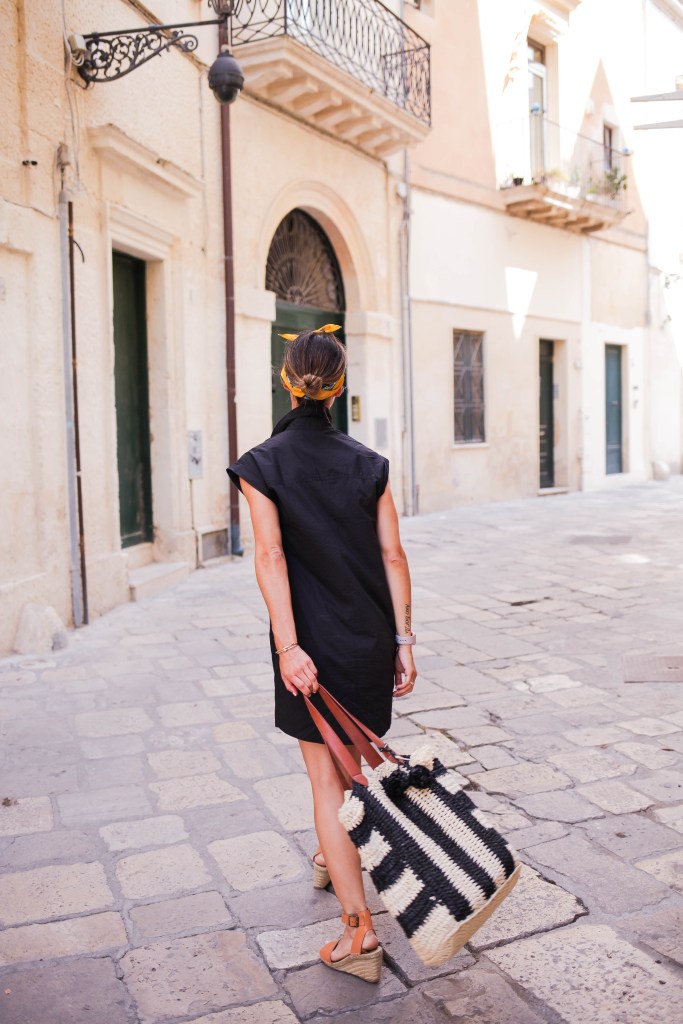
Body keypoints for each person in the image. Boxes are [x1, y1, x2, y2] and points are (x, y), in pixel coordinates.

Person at [227, 324, 417, 983]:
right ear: (338, 387)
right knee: (350, 765)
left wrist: (288, 646)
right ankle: (330, 855)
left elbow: (271, 555)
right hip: (367, 641)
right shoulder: (370, 464)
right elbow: (394, 556)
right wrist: (404, 641)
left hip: (309, 645)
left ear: (287, 382)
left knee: (326, 781)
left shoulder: (261, 464)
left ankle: (359, 933)